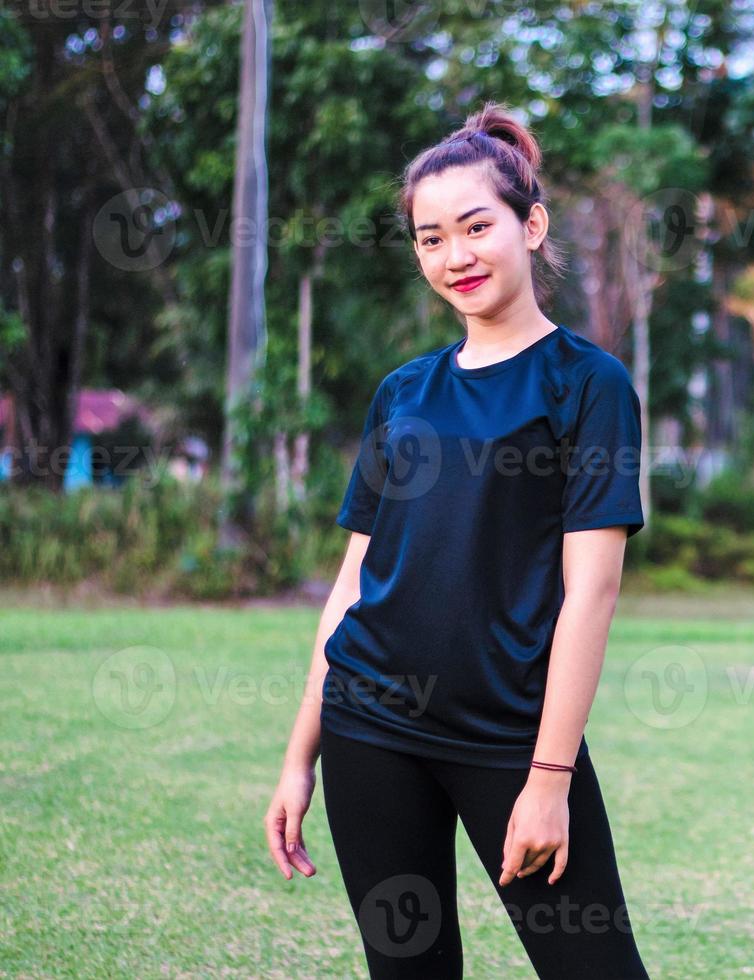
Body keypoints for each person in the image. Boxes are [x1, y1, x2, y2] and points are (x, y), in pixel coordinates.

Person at [263, 99, 650, 979]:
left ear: (531, 224)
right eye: (430, 238)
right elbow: (357, 580)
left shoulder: (588, 385)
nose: (455, 256)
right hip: (371, 729)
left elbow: (592, 590)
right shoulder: (404, 392)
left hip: (512, 741)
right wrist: (299, 757)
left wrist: (549, 779)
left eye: (477, 227)